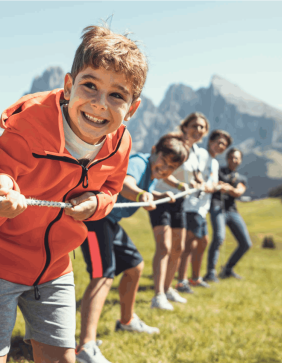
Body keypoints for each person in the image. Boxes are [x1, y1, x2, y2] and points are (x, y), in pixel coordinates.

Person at [0, 25, 147, 363]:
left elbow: (111, 190)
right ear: (69, 86)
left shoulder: (121, 143)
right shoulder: (29, 128)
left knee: (61, 358)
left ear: (132, 109)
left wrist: (95, 205)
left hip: (54, 267)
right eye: (89, 86)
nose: (99, 104)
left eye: (117, 95)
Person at [76, 133, 189, 363]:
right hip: (96, 218)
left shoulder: (153, 171)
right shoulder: (140, 162)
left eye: (171, 167)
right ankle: (85, 347)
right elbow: (127, 184)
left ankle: (126, 321)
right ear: (154, 150)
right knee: (103, 276)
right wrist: (140, 194)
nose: (165, 168)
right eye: (163, 161)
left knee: (135, 266)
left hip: (110, 220)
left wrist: (157, 194)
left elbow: (140, 188)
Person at [149, 112, 209, 309]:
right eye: (194, 126)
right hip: (161, 197)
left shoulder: (196, 152)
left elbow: (195, 175)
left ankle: (167, 289)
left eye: (202, 127)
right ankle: (157, 296)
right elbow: (162, 170)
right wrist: (178, 185)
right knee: (164, 247)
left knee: (178, 248)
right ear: (185, 127)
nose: (198, 130)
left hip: (180, 202)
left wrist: (197, 182)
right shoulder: (172, 143)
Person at [175, 130, 231, 293]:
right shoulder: (200, 154)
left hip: (202, 208)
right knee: (191, 243)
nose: (221, 147)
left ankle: (194, 278)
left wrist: (217, 186)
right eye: (218, 142)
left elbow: (210, 185)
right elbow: (192, 173)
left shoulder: (214, 163)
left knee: (202, 242)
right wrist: (206, 185)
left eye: (224, 145)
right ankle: (182, 281)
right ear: (210, 141)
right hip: (191, 204)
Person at [204, 148, 253, 282]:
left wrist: (228, 188)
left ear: (240, 160)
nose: (233, 160)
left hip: (232, 210)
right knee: (219, 237)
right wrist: (222, 187)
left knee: (246, 243)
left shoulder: (242, 178)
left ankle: (228, 269)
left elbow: (239, 192)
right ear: (227, 158)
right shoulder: (218, 171)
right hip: (216, 207)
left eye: (236, 158)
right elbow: (213, 183)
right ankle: (210, 273)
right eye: (231, 157)